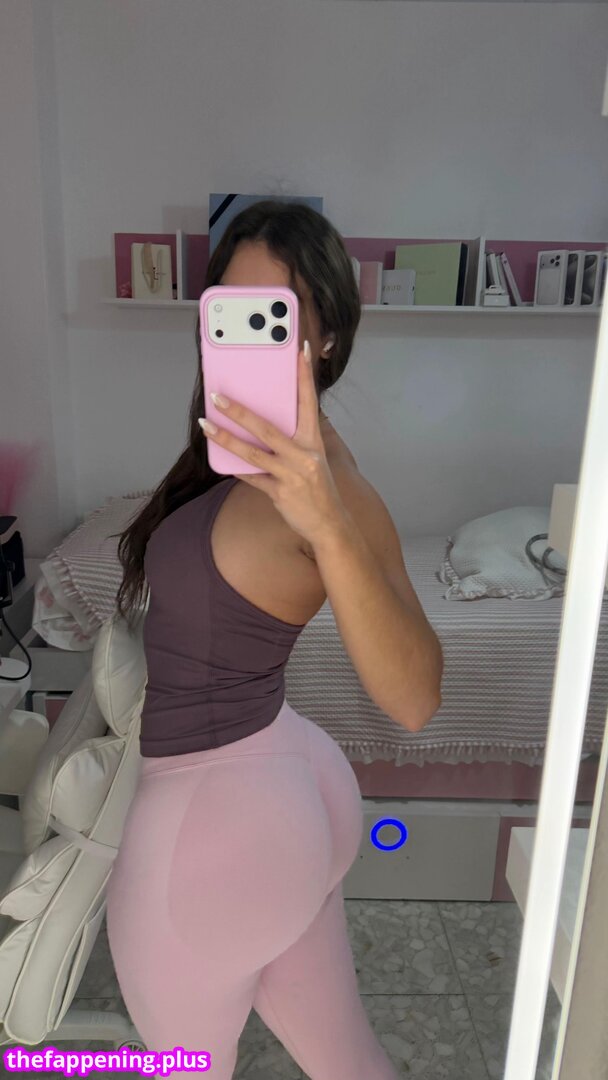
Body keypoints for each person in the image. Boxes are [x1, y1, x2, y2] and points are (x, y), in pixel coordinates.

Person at [105, 201, 443, 1079]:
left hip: (218, 828)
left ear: (325, 338)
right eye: (229, 308)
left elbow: (415, 698)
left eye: (277, 316)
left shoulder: (329, 484)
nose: (246, 335)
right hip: (285, 789)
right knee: (347, 1061)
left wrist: (326, 524)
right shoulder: (235, 451)